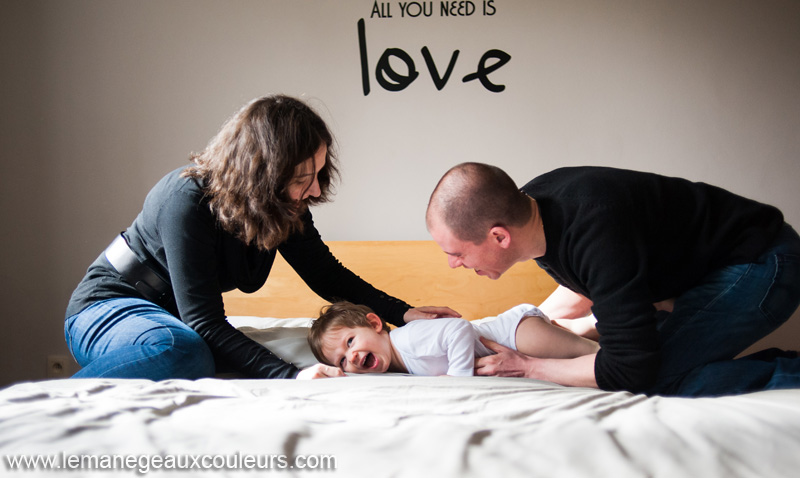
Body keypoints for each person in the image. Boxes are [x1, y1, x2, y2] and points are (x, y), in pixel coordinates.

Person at [64, 95, 457, 381]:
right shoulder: (185, 201)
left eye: (319, 174)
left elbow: (327, 276)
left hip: (170, 319)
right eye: (304, 178)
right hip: (111, 306)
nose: (317, 191)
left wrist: (405, 313)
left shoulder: (281, 207)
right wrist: (290, 377)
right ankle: (62, 404)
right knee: (181, 350)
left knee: (196, 352)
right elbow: (204, 321)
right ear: (264, 173)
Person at [426, 162, 800, 397]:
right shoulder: (534, 212)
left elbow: (631, 368)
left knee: (653, 381)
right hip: (704, 274)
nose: (452, 265)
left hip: (763, 262)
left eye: (456, 252)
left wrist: (528, 366)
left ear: (498, 236)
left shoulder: (598, 231)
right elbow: (584, 284)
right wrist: (511, 330)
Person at [308, 301, 599, 376]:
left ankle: (623, 331)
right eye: (343, 361)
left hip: (516, 335)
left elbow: (459, 329)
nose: (353, 357)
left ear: (374, 324)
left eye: (350, 343)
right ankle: (590, 323)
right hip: (516, 336)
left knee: (589, 353)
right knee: (575, 337)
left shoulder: (407, 340)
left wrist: (460, 377)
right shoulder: (397, 363)